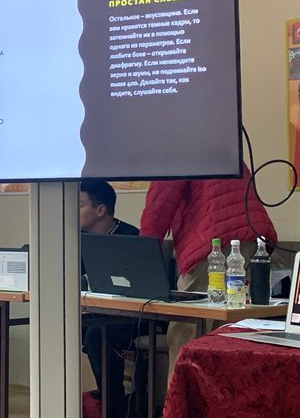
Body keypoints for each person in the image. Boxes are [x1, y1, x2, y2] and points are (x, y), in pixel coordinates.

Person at [139, 163, 278, 380]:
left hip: (214, 240)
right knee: (228, 334)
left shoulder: (174, 147)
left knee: (186, 331)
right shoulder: (215, 143)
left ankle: (180, 400)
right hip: (250, 237)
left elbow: (161, 201)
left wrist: (143, 253)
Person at [79, 181, 140, 415]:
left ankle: (113, 408)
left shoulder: (131, 237)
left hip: (137, 314)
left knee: (97, 334)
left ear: (101, 210)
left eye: (80, 205)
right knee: (70, 325)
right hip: (101, 311)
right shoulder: (78, 239)